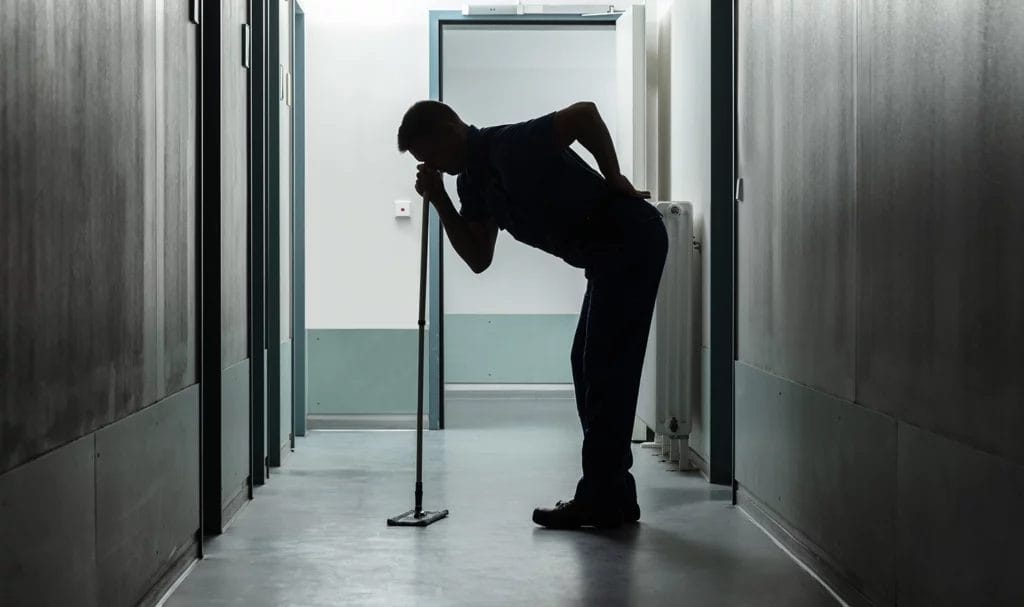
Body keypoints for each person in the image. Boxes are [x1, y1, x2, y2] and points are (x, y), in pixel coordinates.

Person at [397, 100, 667, 529]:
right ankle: (612, 494)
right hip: (604, 255)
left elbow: (585, 115)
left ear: (451, 128)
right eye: (422, 162)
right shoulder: (472, 183)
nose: (431, 165)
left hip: (630, 237)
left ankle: (601, 497)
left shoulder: (508, 145)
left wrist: (613, 177)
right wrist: (440, 202)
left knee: (602, 366)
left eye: (430, 154)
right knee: (587, 363)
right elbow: (479, 257)